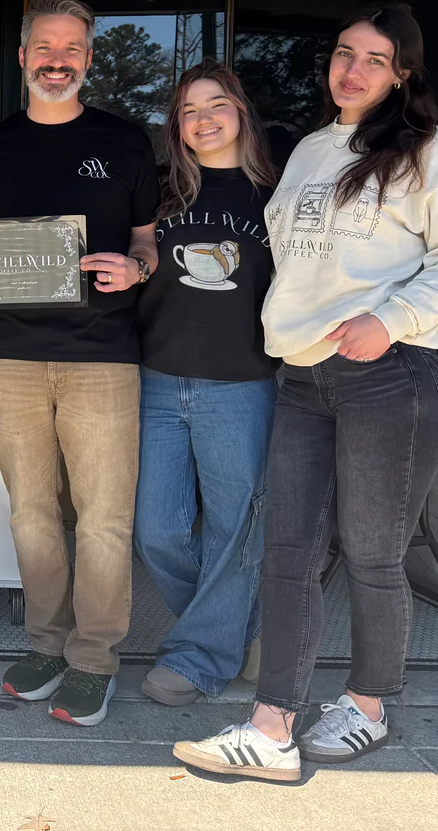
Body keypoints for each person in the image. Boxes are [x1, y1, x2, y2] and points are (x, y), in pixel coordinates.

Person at [175, 3, 438, 781]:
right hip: (302, 377)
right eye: (344, 53)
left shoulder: (429, 153)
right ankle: (272, 726)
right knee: (287, 554)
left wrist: (390, 319)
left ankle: (370, 704)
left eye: (374, 60)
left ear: (403, 75)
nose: (351, 70)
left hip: (390, 376)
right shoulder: (313, 150)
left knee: (375, 557)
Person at [0, 0, 159, 728]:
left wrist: (136, 267)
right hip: (13, 358)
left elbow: (148, 239)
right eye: (44, 49)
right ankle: (45, 644)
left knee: (102, 519)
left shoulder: (125, 143)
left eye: (72, 51)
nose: (57, 62)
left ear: (88, 61)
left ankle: (94, 659)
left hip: (103, 359)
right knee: (31, 514)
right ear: (23, 56)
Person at [132, 62, 279, 707]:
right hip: (158, 380)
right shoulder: (158, 195)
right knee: (157, 529)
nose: (204, 119)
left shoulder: (279, 199)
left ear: (242, 111)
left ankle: (197, 659)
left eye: (216, 104)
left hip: (241, 385)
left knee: (232, 528)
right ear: (178, 127)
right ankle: (238, 630)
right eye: (188, 110)